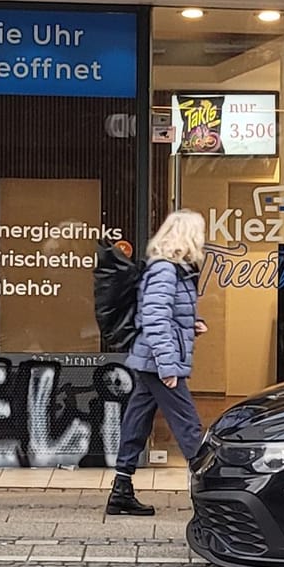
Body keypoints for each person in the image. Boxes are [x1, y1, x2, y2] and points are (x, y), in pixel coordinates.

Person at [111, 209, 209, 517]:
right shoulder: (166, 270)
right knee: (188, 425)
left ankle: (121, 490)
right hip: (158, 361)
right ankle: (213, 495)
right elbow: (154, 320)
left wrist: (191, 324)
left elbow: (166, 315)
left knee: (137, 420)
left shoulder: (174, 270)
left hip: (152, 358)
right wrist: (169, 367)